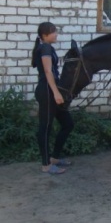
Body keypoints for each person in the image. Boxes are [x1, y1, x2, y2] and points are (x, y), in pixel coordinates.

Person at [31, 22, 74, 174]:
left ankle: (54, 157)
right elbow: (48, 72)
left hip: (51, 89)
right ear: (44, 35)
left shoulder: (46, 47)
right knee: (45, 127)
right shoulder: (45, 48)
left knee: (68, 123)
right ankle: (46, 165)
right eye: (53, 32)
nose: (56, 34)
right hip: (47, 91)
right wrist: (56, 93)